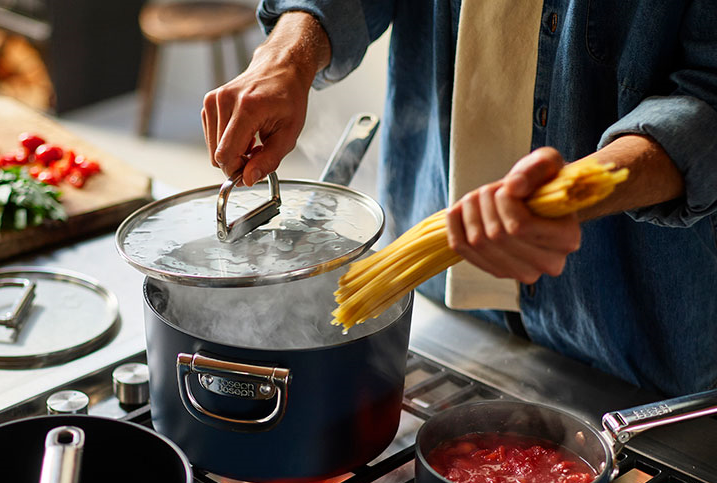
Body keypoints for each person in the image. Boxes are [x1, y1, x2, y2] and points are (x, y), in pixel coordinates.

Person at [201, 2, 717, 397]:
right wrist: (288, 52)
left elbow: (707, 99)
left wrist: (570, 194)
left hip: (641, 345)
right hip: (437, 301)